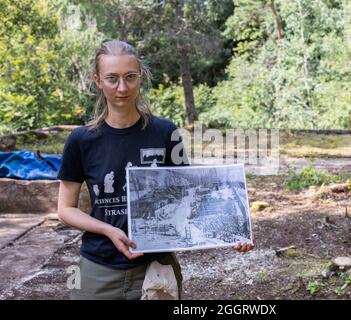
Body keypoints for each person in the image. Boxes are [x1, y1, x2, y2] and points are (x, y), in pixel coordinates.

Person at [57, 39, 254, 300]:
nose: (122, 88)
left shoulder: (165, 132)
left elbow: (190, 196)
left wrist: (233, 230)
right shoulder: (81, 140)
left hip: (156, 269)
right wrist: (108, 230)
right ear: (97, 80)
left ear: (141, 76)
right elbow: (65, 209)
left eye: (130, 77)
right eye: (112, 78)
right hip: (97, 270)